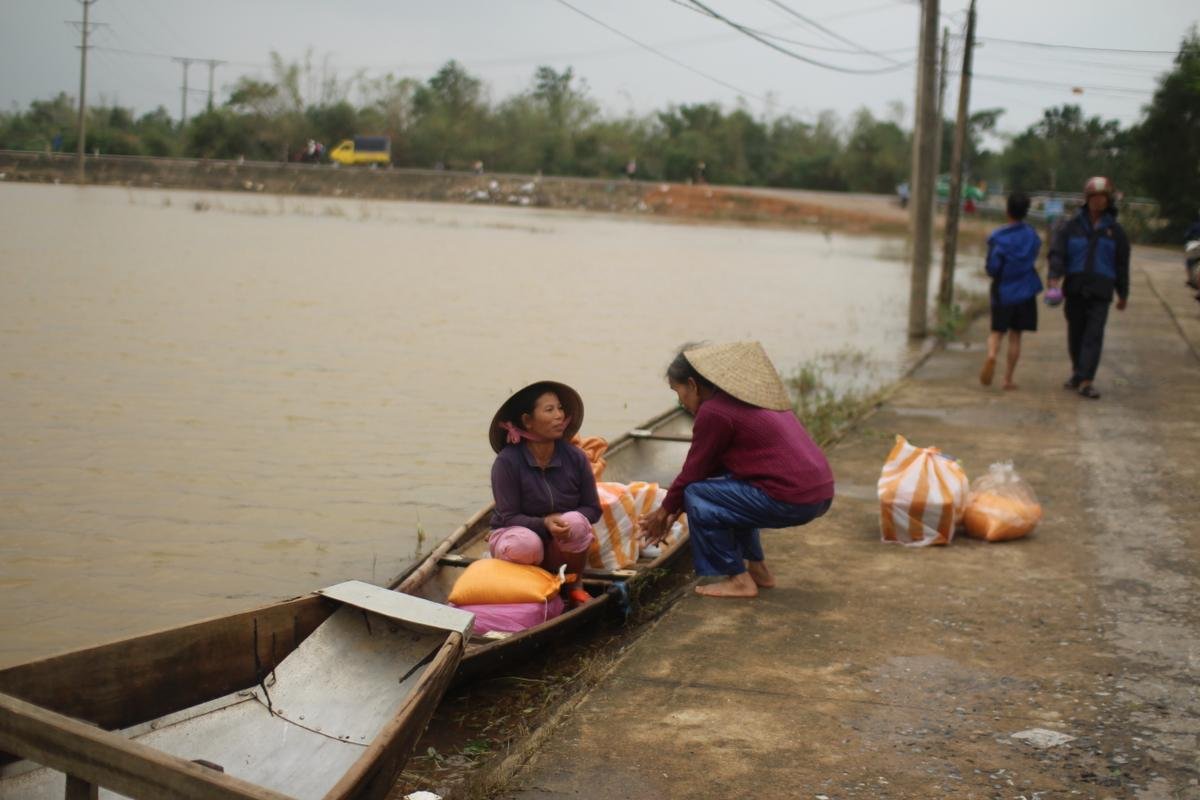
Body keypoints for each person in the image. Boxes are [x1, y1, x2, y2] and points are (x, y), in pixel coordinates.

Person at [639, 342, 835, 599]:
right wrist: (674, 509)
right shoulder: (750, 396)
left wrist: (665, 510)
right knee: (730, 486)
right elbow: (709, 467)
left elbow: (693, 473)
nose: (680, 402)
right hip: (820, 493)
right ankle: (759, 570)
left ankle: (739, 579)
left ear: (693, 384)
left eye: (679, 392)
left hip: (792, 497)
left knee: (697, 494)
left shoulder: (714, 412)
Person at [488, 381, 599, 606]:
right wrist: (545, 524)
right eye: (549, 410)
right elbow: (509, 517)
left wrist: (563, 524)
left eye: (560, 408)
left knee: (576, 521)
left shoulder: (575, 457)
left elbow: (593, 508)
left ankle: (574, 585)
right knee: (525, 543)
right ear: (528, 421)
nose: (559, 415)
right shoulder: (507, 462)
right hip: (520, 539)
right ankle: (529, 590)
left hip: (561, 543)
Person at [1047, 176, 1131, 400]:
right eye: (1093, 197)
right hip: (1075, 288)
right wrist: (1054, 278)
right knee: (1076, 334)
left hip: (1101, 292)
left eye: (1102, 197)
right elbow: (1058, 254)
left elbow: (1122, 265)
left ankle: (1087, 381)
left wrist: (1123, 293)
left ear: (1108, 200)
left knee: (1094, 335)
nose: (1097, 201)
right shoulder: (1071, 227)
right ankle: (1077, 371)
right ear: (1087, 199)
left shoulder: (1116, 232)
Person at [980, 192, 1043, 391]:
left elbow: (992, 267)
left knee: (997, 332)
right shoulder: (1032, 236)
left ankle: (991, 355)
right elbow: (1035, 255)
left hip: (1003, 291)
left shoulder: (998, 237)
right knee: (1016, 336)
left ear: (1007, 210)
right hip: (1025, 291)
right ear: (1026, 212)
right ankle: (1007, 379)